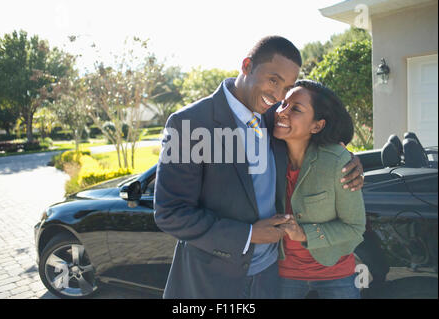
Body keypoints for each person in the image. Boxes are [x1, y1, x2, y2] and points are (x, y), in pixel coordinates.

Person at [154, 36, 364, 299]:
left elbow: (316, 137)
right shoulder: (189, 123)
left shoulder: (273, 119)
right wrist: (249, 234)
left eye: (286, 87)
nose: (278, 96)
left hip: (269, 278)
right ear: (246, 66)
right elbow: (170, 213)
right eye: (273, 80)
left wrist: (349, 158)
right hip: (213, 281)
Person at [271, 80, 366, 299]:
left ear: (317, 125)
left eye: (296, 109)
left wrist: (303, 233)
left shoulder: (337, 162)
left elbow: (354, 227)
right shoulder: (267, 155)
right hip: (283, 273)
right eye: (283, 104)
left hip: (336, 274)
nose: (281, 112)